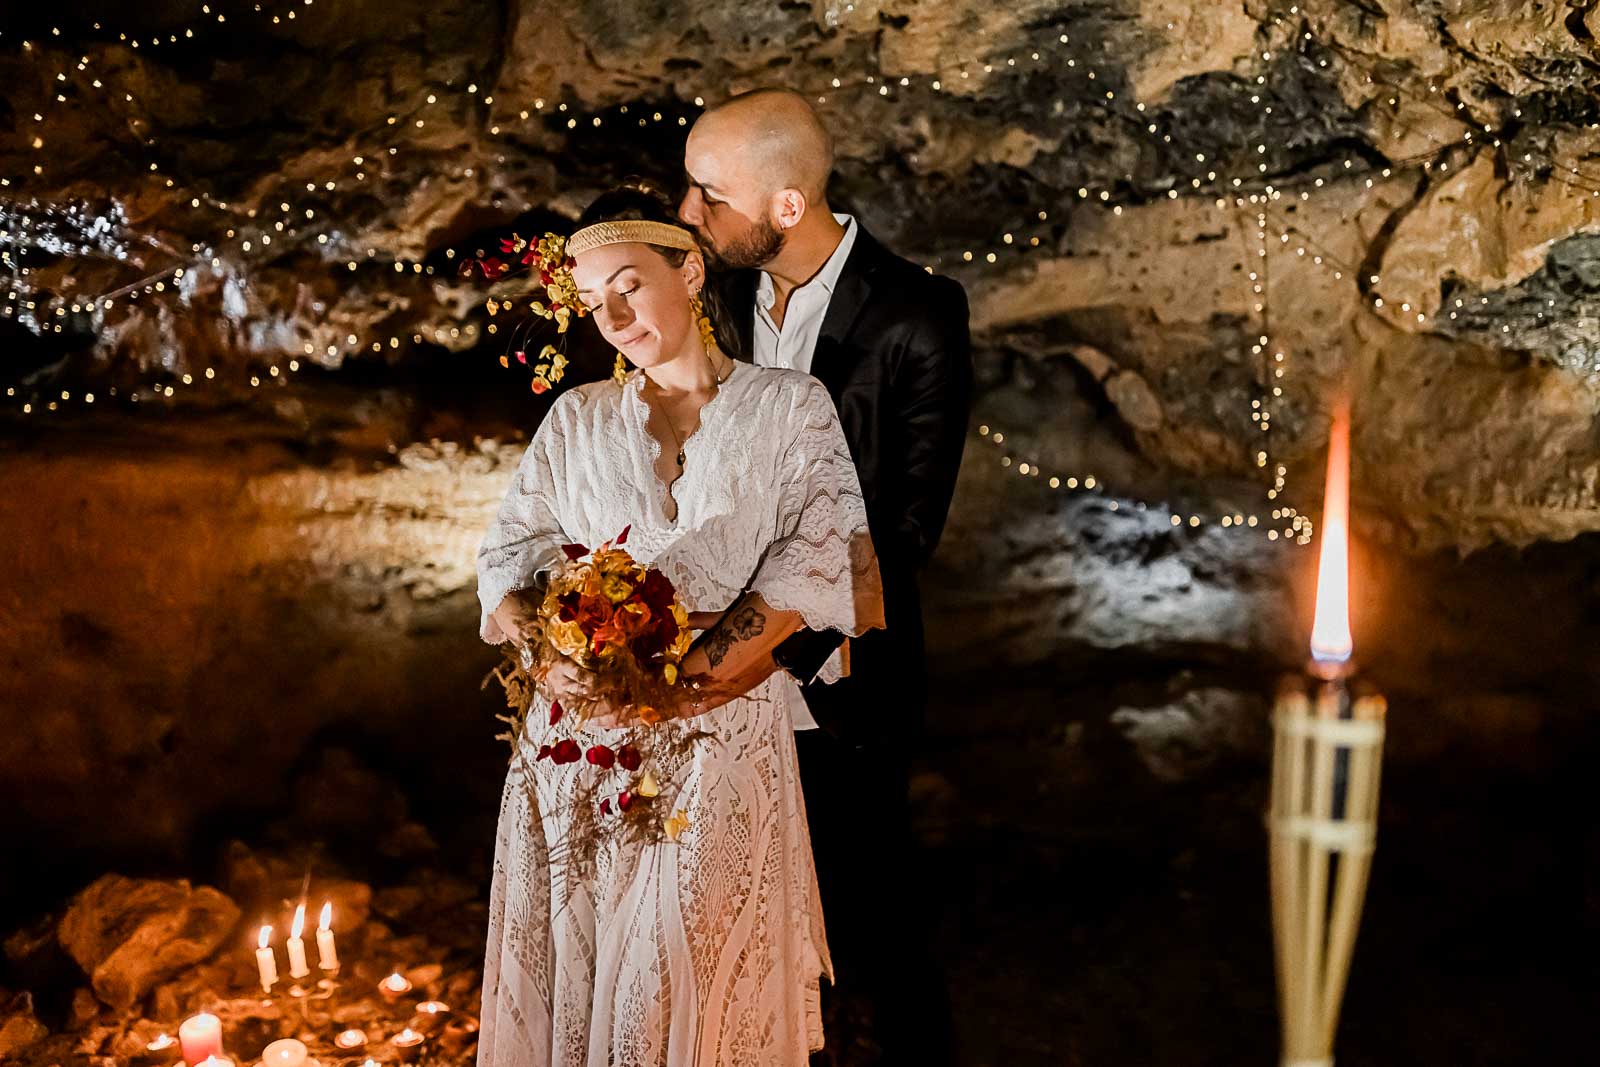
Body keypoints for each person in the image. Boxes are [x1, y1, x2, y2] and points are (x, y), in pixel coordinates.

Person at [474, 183, 884, 1066]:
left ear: (689, 269)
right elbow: (505, 563)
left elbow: (821, 561)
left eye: (629, 284)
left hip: (723, 737)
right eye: (592, 302)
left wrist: (688, 677)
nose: (614, 315)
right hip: (581, 748)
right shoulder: (575, 419)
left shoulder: (790, 406)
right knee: (587, 977)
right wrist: (556, 656)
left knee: (682, 971)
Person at [680, 89, 973, 1063]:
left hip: (843, 670)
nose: (690, 215)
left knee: (872, 912)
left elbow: (905, 530)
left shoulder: (916, 316)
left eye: (708, 196)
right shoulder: (720, 293)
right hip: (719, 663)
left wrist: (777, 635)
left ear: (787, 207)